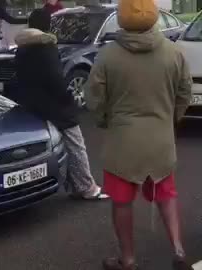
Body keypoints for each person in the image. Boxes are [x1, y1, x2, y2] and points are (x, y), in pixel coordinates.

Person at [86, 0, 193, 268]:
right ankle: (179, 251)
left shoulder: (108, 55)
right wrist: (171, 121)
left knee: (122, 202)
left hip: (122, 141)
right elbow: (184, 94)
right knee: (166, 196)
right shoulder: (173, 52)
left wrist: (104, 121)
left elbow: (94, 98)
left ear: (121, 18)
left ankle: (128, 259)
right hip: (160, 139)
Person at [9, 8, 108, 200]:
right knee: (76, 143)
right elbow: (55, 80)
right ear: (48, 25)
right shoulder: (46, 46)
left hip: (32, 104)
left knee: (55, 145)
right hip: (55, 106)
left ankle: (73, 185)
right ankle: (86, 187)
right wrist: (68, 98)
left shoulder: (22, 47)